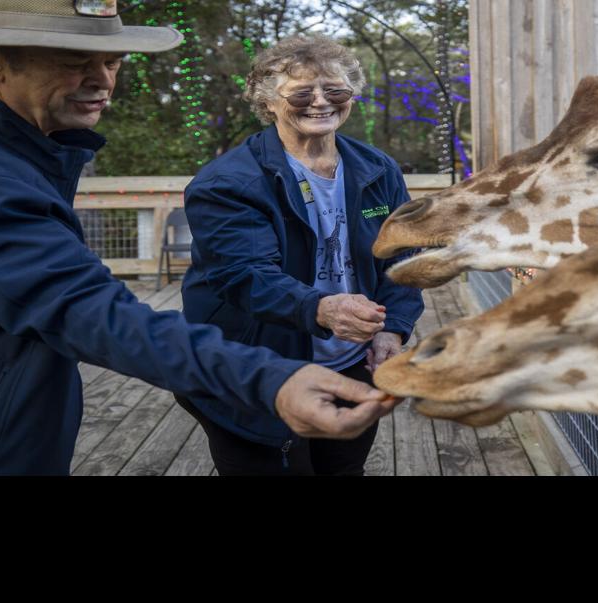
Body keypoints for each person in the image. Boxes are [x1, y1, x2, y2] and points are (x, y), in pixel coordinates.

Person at [0, 0, 394, 476]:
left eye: (111, 60)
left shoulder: (13, 144)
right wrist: (272, 379)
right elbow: (90, 311)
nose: (101, 81)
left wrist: (393, 324)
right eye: (75, 62)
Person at [175, 35, 424, 475]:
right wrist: (322, 308)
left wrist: (394, 331)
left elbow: (403, 260)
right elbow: (244, 275)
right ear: (268, 101)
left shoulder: (378, 169)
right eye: (302, 92)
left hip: (350, 367)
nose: (320, 102)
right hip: (254, 370)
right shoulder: (228, 182)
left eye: (335, 91)